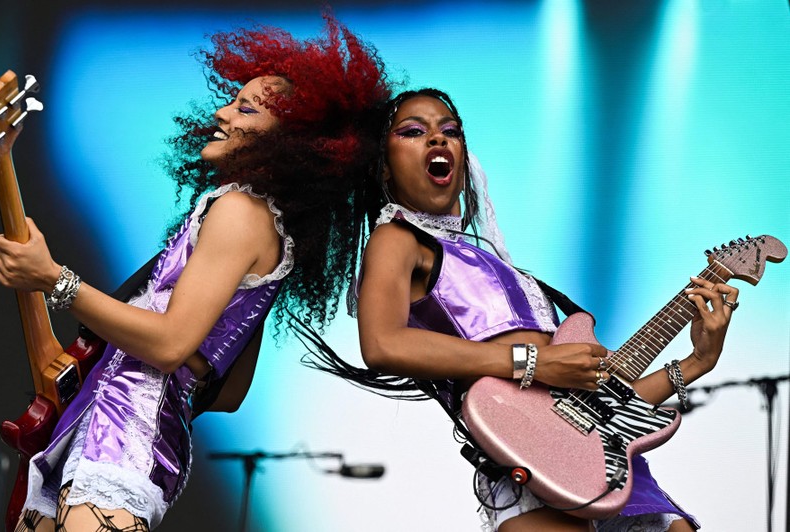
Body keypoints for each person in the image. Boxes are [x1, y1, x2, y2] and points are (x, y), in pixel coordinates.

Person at [0, 14, 390, 531]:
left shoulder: (241, 209)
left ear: (289, 143)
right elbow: (227, 392)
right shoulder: (267, 228)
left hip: (124, 443)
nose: (221, 113)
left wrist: (55, 280)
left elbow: (170, 344)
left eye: (245, 108)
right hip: (107, 435)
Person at [303, 88, 738, 532]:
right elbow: (382, 344)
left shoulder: (498, 264)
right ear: (384, 169)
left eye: (450, 131)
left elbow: (599, 408)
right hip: (522, 460)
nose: (437, 139)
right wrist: (535, 361)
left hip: (609, 465)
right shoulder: (397, 239)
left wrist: (696, 361)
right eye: (414, 132)